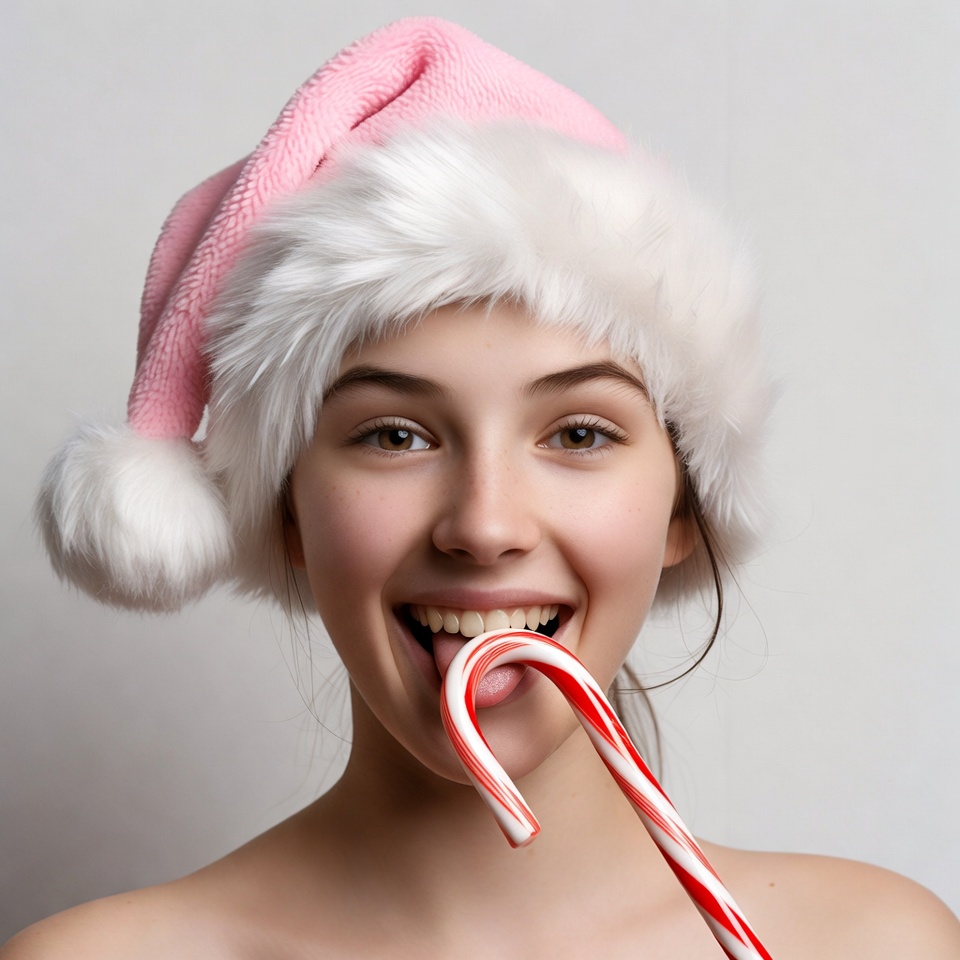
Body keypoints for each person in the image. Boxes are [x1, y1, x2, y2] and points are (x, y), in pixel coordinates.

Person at [4, 17, 959, 960]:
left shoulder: (876, 944)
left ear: (683, 509)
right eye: (394, 434)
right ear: (285, 511)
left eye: (580, 432)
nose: (485, 525)